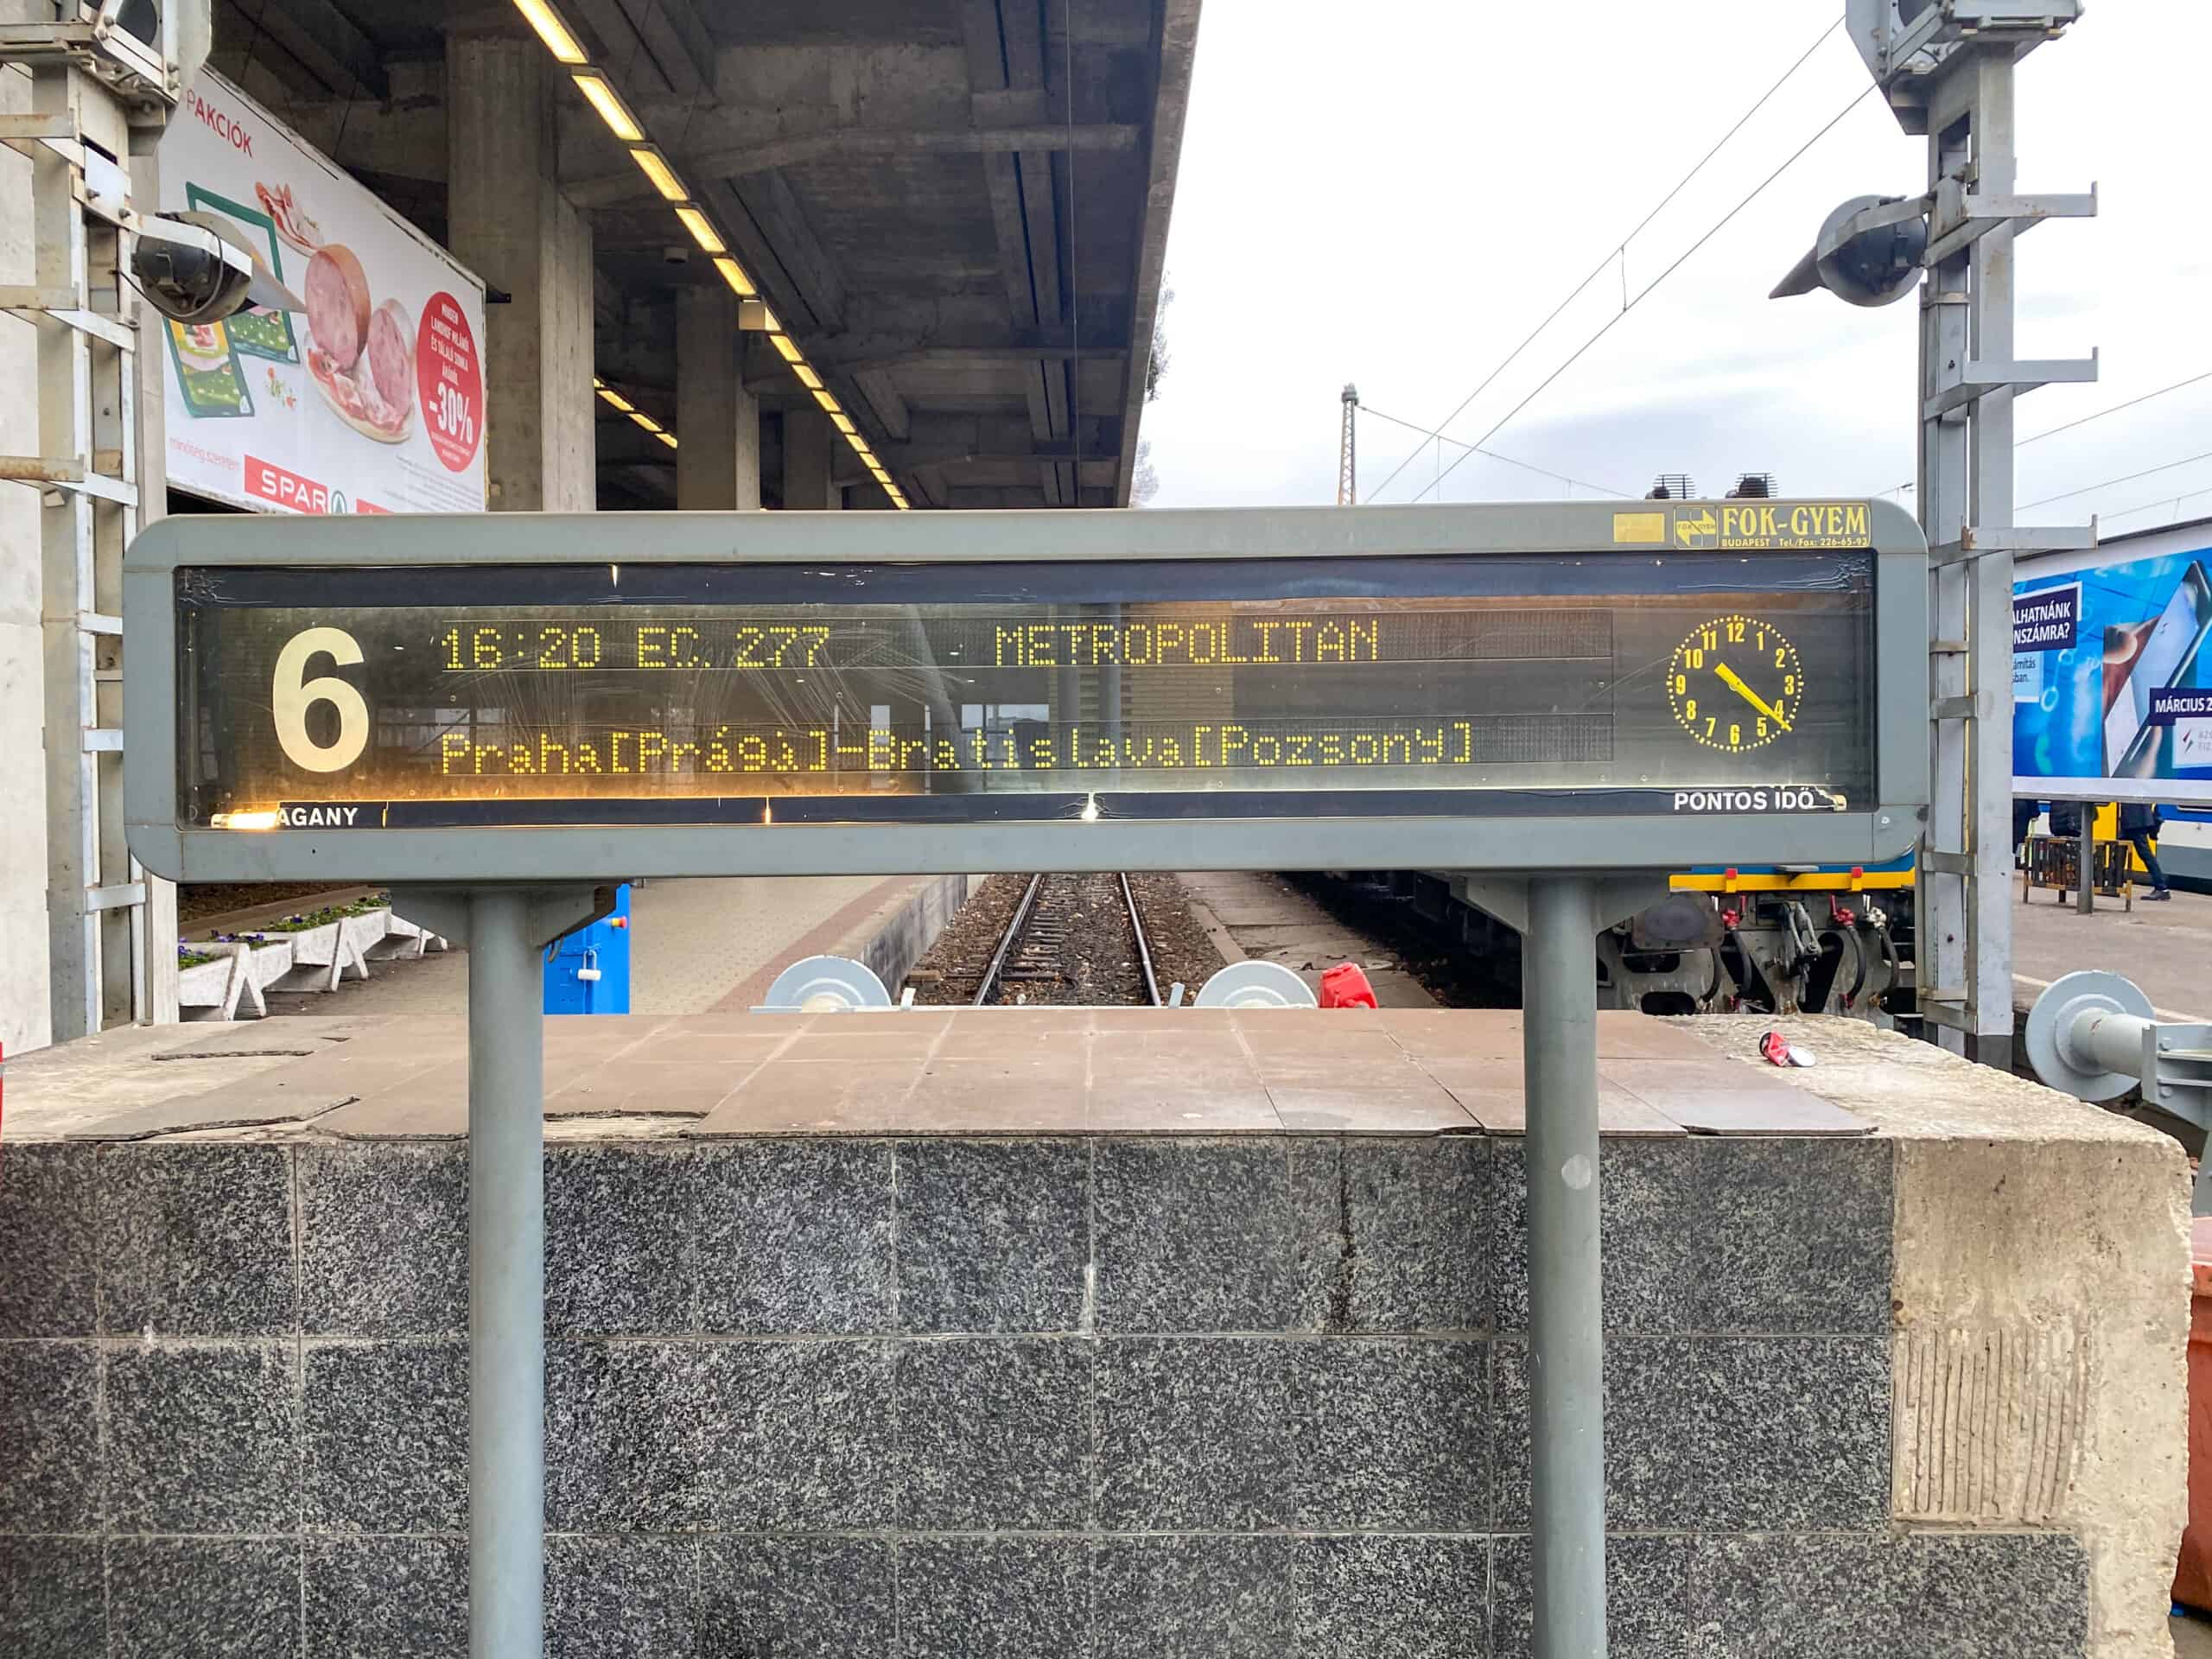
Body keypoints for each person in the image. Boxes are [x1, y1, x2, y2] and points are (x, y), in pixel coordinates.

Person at [2119, 800, 2171, 899]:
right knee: (2120, 852)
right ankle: (2114, 886)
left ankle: (2162, 888)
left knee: (2146, 855)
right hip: (2133, 820)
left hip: (2135, 821)